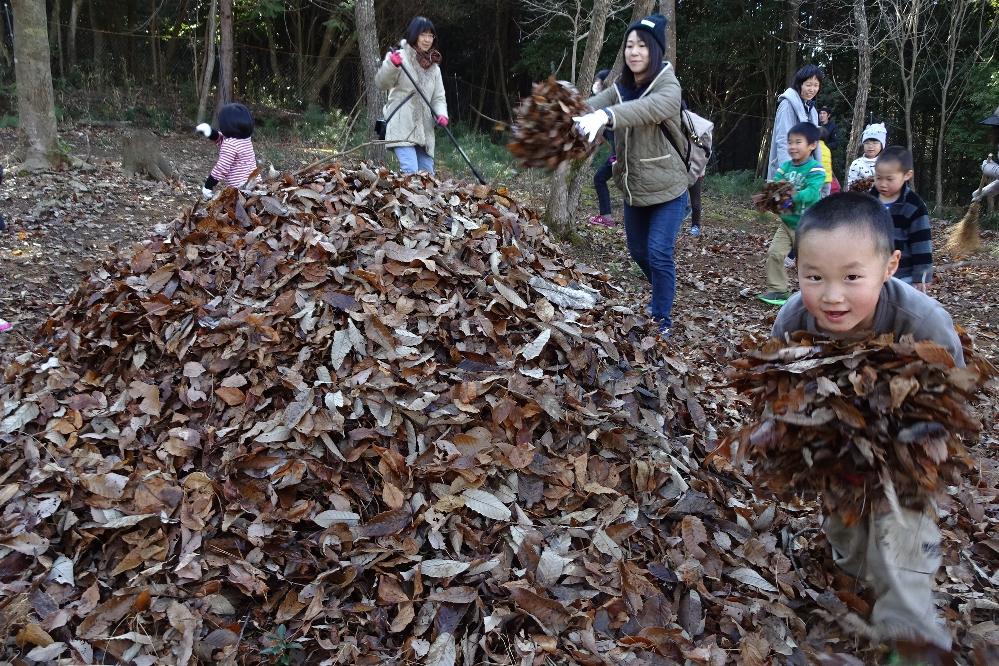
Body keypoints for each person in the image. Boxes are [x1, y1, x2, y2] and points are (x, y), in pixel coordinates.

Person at [772, 192, 959, 662]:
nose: (832, 295)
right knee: (849, 534)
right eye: (814, 277)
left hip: (908, 448)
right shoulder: (794, 320)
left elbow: (951, 394)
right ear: (796, 269)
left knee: (904, 532)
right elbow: (779, 389)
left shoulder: (922, 322)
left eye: (852, 277)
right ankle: (856, 588)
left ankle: (909, 634)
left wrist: (915, 438)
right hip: (836, 447)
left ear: (890, 265)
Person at [572, 14, 689, 334]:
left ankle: (662, 317)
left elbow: (648, 109)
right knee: (639, 252)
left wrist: (605, 116)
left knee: (658, 251)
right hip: (634, 188)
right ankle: (664, 288)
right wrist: (571, 110)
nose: (634, 52)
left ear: (655, 50)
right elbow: (593, 104)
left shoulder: (668, 84)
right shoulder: (621, 87)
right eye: (629, 45)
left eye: (641, 46)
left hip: (669, 189)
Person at [757, 122, 825, 306]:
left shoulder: (815, 169)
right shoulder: (785, 167)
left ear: (812, 145)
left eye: (798, 142)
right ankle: (778, 290)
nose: (792, 147)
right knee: (775, 254)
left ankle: (815, 293)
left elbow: (812, 192)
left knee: (809, 263)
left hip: (808, 226)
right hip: (787, 223)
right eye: (790, 142)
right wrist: (770, 197)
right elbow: (776, 185)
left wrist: (792, 198)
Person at [376, 16, 449, 175]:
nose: (427, 39)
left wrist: (441, 114)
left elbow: (438, 98)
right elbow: (382, 83)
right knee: (410, 173)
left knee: (427, 177)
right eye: (423, 34)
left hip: (426, 131)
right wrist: (391, 65)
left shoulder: (434, 68)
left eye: (430, 35)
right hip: (402, 124)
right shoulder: (399, 57)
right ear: (414, 34)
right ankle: (404, 200)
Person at [869, 146, 933, 291]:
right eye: (878, 178)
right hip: (871, 271)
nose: (882, 184)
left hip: (904, 274)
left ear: (907, 175)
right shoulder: (868, 201)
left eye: (889, 179)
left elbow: (922, 242)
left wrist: (922, 276)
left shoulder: (914, 206)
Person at [767, 64, 824, 179]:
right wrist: (787, 175)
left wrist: (819, 171)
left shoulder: (812, 109)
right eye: (808, 85)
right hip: (788, 172)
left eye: (816, 85)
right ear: (799, 84)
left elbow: (814, 143)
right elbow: (783, 140)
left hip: (805, 172)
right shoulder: (787, 105)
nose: (812, 89)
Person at [195, 102, 257, 198]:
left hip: (241, 190)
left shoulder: (231, 144)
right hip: (255, 184)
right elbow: (223, 139)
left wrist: (208, 185)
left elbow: (221, 168)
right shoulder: (245, 139)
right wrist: (210, 132)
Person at [589, 69, 617, 227]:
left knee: (600, 178)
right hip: (617, 155)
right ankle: (606, 217)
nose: (595, 86)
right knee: (600, 178)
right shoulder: (605, 106)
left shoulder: (612, 106)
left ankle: (606, 217)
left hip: (621, 155)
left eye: (598, 82)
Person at [847, 123, 886, 189]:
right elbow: (850, 187)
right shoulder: (856, 164)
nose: (870, 146)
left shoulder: (886, 163)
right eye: (867, 143)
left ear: (882, 145)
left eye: (875, 143)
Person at [818, 126, 838, 197]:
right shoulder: (827, 149)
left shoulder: (815, 147)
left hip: (819, 179)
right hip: (828, 179)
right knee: (824, 200)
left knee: (816, 200)